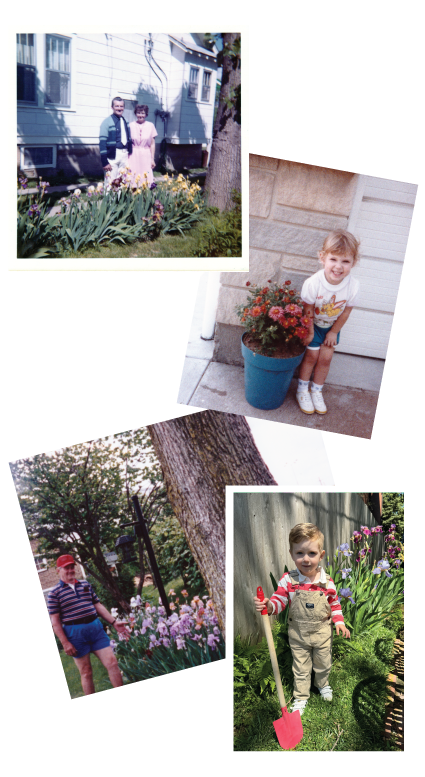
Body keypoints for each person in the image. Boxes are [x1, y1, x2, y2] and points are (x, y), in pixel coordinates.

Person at [253, 522, 350, 717]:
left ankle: (323, 685)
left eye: (312, 554)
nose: (306, 559)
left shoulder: (327, 582)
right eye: (300, 553)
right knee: (301, 667)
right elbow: (279, 600)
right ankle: (301, 697)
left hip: (323, 634)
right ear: (292, 554)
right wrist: (269, 606)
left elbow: (335, 604)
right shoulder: (289, 580)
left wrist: (339, 622)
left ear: (321, 555)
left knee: (323, 663)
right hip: (298, 635)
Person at [296, 229, 361, 415]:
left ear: (354, 262)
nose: (338, 267)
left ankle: (316, 390)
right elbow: (307, 309)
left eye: (345, 261)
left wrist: (334, 332)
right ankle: (302, 390)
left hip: (332, 327)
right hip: (313, 326)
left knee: (326, 358)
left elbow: (346, 312)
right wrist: (309, 332)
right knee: (311, 357)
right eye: (333, 259)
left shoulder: (353, 286)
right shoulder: (313, 283)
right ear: (322, 257)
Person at [48, 554, 130, 696]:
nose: (70, 570)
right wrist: (65, 642)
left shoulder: (85, 585)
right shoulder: (54, 593)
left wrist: (114, 622)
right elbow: (54, 622)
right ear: (58, 570)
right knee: (86, 672)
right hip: (75, 635)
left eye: (72, 567)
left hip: (96, 630)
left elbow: (97, 605)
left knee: (112, 662)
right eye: (66, 568)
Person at [99, 97, 133, 185]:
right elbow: (102, 142)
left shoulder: (126, 121)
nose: (119, 108)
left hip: (124, 155)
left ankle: (119, 199)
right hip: (112, 156)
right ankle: (110, 199)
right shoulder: (106, 122)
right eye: (117, 106)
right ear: (112, 107)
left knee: (122, 182)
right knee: (110, 182)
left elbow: (128, 138)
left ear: (124, 107)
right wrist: (104, 162)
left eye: (121, 106)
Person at [128, 104, 158, 187]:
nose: (140, 115)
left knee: (146, 177)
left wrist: (152, 159)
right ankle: (133, 197)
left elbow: (152, 144)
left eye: (143, 113)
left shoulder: (151, 125)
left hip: (146, 154)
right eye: (138, 113)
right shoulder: (130, 125)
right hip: (133, 154)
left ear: (146, 114)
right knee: (133, 177)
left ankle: (145, 197)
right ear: (135, 114)